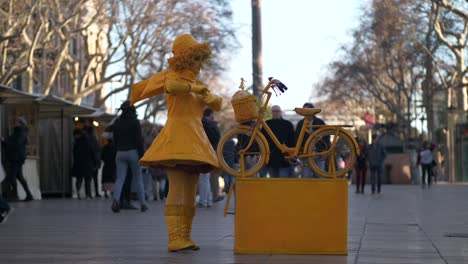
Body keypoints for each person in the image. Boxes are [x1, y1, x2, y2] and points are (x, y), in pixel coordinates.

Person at [130, 33, 223, 251]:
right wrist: (195, 89)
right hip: (177, 136)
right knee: (177, 188)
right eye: (197, 59)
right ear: (186, 58)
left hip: (195, 139)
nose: (200, 64)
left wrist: (212, 99)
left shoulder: (197, 83)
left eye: (201, 59)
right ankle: (174, 238)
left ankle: (185, 236)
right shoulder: (172, 77)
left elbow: (217, 104)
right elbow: (172, 87)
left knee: (191, 191)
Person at [110, 101, 148, 213]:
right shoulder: (135, 122)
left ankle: (116, 200)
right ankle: (143, 204)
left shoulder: (117, 122)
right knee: (138, 179)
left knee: (120, 178)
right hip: (133, 152)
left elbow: (114, 139)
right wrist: (142, 155)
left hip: (120, 153)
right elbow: (138, 140)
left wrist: (117, 149)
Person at [1, 117, 34, 201]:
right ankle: (29, 195)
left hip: (16, 158)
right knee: (19, 177)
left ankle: (12, 195)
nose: (14, 123)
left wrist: (4, 141)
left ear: (20, 123)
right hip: (17, 158)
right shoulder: (19, 132)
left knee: (10, 177)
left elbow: (16, 145)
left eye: (16, 122)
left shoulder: (20, 132)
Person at [295, 103, 328, 178]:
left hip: (319, 154)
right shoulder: (300, 124)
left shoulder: (320, 122)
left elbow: (326, 137)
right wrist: (299, 152)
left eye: (306, 111)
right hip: (305, 155)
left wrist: (325, 150)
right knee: (306, 177)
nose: (305, 113)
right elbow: (297, 139)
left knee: (320, 177)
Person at [262, 105, 295, 178]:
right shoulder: (267, 124)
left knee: (283, 183)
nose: (275, 113)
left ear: (280, 112)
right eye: (273, 111)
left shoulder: (288, 124)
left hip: (284, 159)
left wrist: (291, 155)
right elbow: (262, 141)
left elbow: (292, 140)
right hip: (271, 158)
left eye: (277, 111)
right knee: (273, 183)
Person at [72, 128, 96, 199]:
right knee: (87, 180)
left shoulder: (77, 143)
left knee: (79, 179)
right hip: (88, 164)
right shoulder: (88, 142)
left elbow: (75, 153)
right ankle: (88, 194)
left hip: (79, 164)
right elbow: (93, 153)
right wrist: (95, 163)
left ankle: (79, 192)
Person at [101, 130, 116, 199]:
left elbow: (102, 157)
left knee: (106, 179)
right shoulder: (115, 148)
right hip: (113, 165)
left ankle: (105, 192)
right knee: (113, 178)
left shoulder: (105, 148)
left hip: (106, 165)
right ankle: (112, 192)